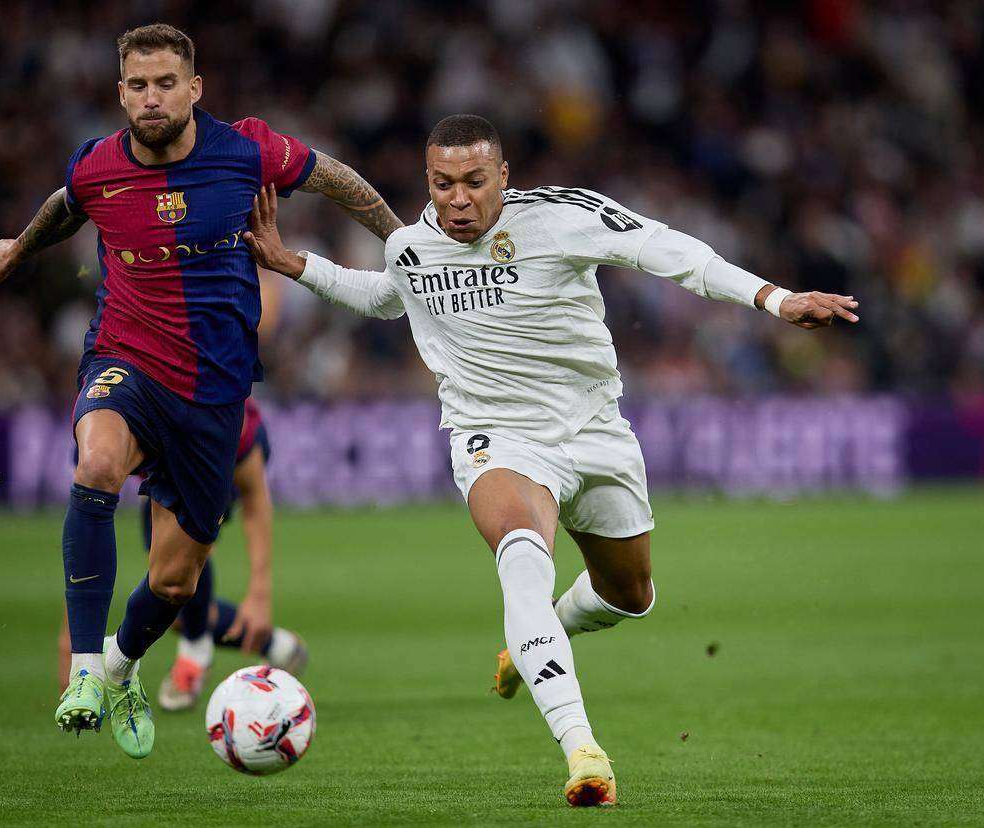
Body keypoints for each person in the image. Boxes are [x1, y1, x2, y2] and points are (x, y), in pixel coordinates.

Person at [242, 114, 858, 806]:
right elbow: (389, 298)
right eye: (443, 184)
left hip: (594, 429)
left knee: (630, 595)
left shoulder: (562, 217)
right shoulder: (412, 245)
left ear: (504, 176)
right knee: (522, 560)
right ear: (428, 181)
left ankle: (538, 639)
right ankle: (583, 750)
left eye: (475, 181)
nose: (458, 199)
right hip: (496, 439)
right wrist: (294, 264)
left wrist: (774, 298)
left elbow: (667, 249)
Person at [0, 23, 401, 758]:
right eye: (138, 85)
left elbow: (337, 179)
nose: (152, 97)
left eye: (166, 83)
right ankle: (86, 671)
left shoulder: (247, 151)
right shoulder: (98, 165)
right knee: (96, 462)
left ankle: (121, 665)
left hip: (213, 391)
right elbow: (64, 206)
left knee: (174, 583)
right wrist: (18, 248)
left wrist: (408, 248)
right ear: (120, 93)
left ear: (194, 88)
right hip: (125, 360)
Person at [57, 397, 308, 711]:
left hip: (211, 452)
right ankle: (277, 646)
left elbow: (255, 501)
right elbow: (86, 533)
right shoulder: (101, 421)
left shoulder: (223, 414)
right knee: (167, 601)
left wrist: (259, 594)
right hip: (163, 456)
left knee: (178, 575)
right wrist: (77, 641)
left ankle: (195, 651)